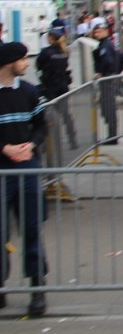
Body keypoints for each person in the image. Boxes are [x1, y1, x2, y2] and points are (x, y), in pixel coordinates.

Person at [0, 42, 49, 316]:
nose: (27, 63)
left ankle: (37, 286)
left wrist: (31, 144)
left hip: (27, 169)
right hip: (2, 170)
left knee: (32, 228)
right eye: (22, 59)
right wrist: (4, 148)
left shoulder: (30, 92)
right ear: (8, 63)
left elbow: (41, 125)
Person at [36, 27, 77, 150]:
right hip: (63, 87)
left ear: (50, 38)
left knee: (49, 116)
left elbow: (38, 66)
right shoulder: (64, 51)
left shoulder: (46, 52)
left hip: (50, 88)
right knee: (66, 115)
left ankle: (46, 145)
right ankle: (72, 140)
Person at [91, 19, 122, 145]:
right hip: (109, 79)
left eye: (99, 32)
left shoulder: (105, 45)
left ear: (105, 32)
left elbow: (107, 61)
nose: (96, 34)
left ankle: (112, 136)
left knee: (108, 108)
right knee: (107, 108)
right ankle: (112, 134)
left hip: (107, 80)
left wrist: (101, 73)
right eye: (95, 32)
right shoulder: (107, 44)